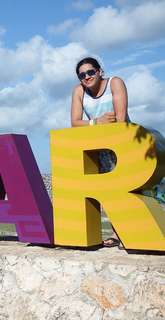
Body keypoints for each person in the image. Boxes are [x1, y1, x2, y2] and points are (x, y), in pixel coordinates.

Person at [71, 57, 131, 249]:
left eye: (90, 72)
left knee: (125, 191)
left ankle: (129, 233)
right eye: (82, 75)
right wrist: (98, 122)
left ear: (99, 71)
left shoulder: (115, 83)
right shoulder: (79, 91)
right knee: (108, 193)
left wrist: (92, 124)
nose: (87, 76)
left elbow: (120, 121)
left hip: (121, 145)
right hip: (97, 149)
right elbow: (75, 123)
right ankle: (117, 232)